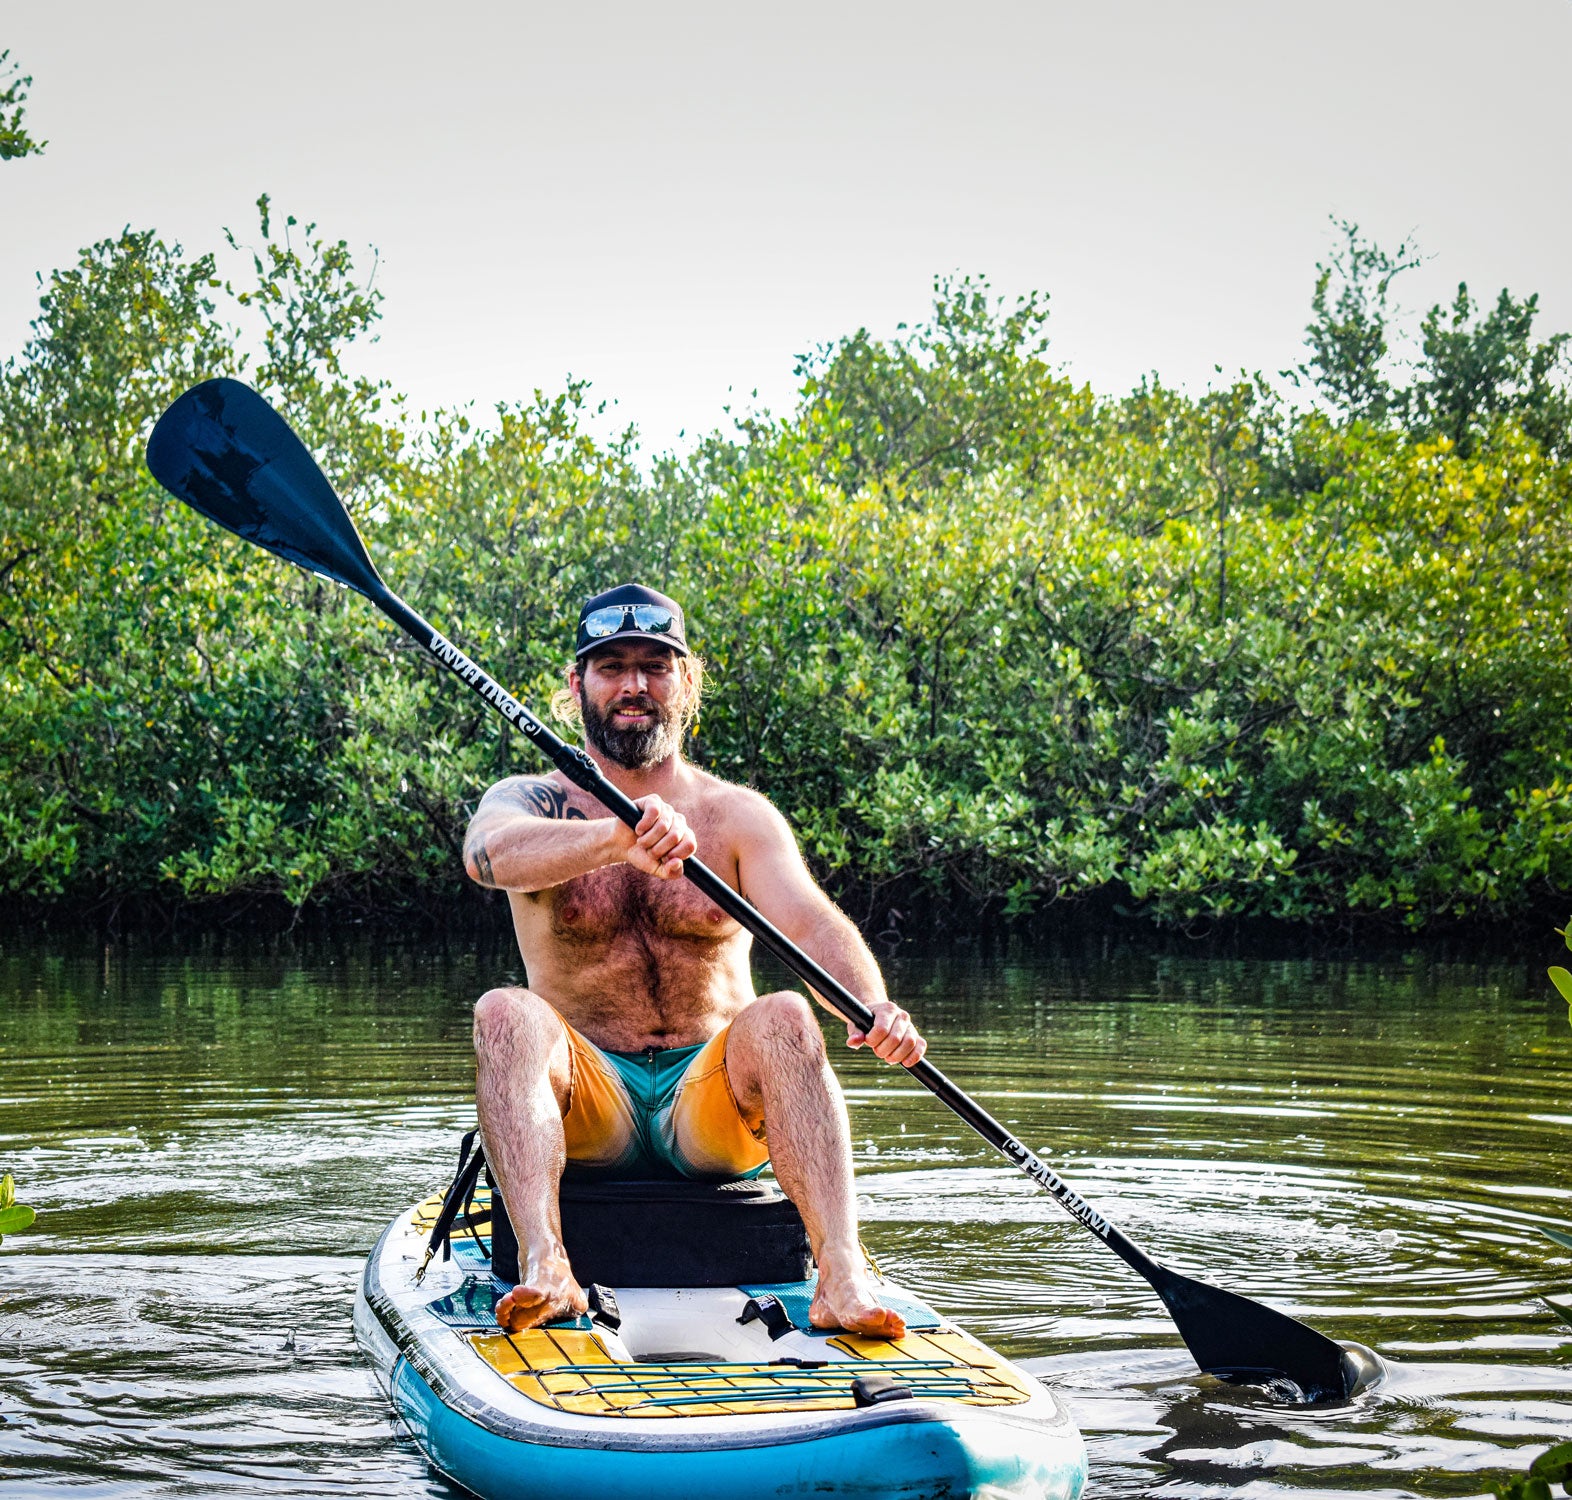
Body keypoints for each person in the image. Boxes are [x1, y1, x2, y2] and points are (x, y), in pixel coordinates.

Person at [463, 583, 927, 1337]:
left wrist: (873, 1006)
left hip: (710, 1108)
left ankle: (841, 1278)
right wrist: (616, 839)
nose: (634, 685)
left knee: (783, 1016)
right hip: (592, 1103)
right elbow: (488, 859)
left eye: (655, 664)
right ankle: (548, 1268)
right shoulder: (530, 799)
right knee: (503, 1013)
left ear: (688, 683)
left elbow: (808, 920)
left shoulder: (736, 815)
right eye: (611, 666)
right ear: (576, 686)